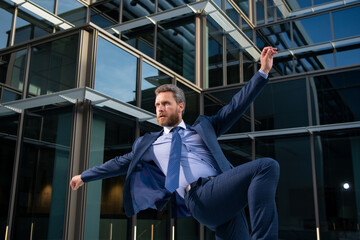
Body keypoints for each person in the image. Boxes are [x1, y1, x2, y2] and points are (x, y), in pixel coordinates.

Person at [71, 47, 279, 240]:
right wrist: (84, 176)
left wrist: (262, 71)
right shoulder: (149, 144)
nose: (159, 109)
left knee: (264, 170)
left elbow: (236, 106)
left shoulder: (205, 127)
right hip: (199, 196)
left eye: (165, 104)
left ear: (180, 106)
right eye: (157, 105)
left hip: (223, 198)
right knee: (266, 166)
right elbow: (118, 163)